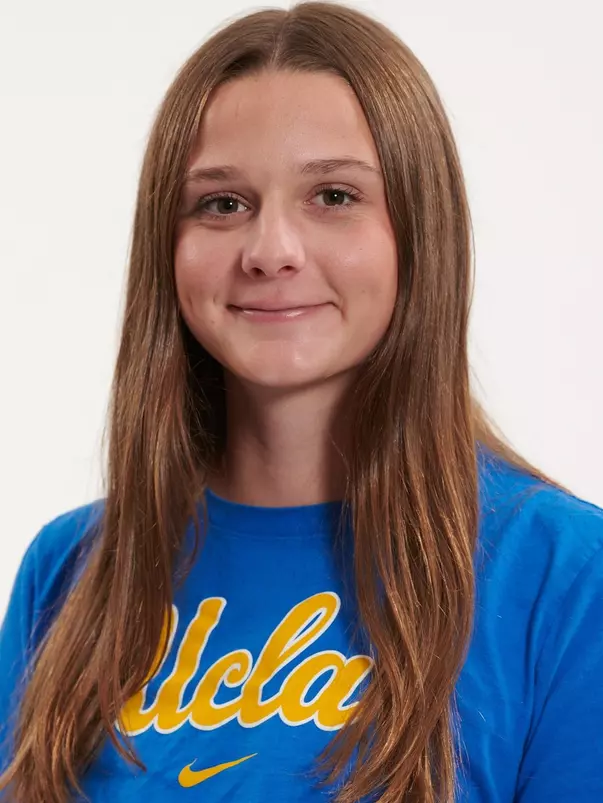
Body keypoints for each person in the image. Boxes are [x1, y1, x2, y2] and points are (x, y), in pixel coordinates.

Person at [1, 1, 602, 801]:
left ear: (420, 232)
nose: (270, 251)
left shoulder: (563, 576)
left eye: (333, 196)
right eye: (222, 203)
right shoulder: (72, 570)